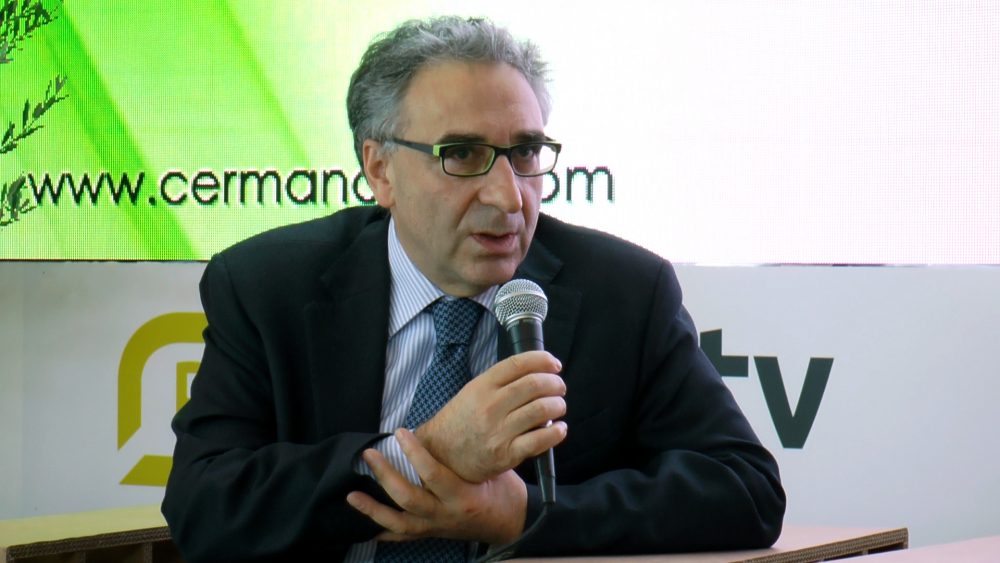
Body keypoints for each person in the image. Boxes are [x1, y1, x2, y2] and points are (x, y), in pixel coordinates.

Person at [162, 16, 785, 562]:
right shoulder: (267, 286)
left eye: (525, 152)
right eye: (461, 155)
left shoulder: (625, 292)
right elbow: (205, 506)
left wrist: (524, 516)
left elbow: (747, 490)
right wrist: (425, 453)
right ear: (380, 169)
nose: (508, 197)